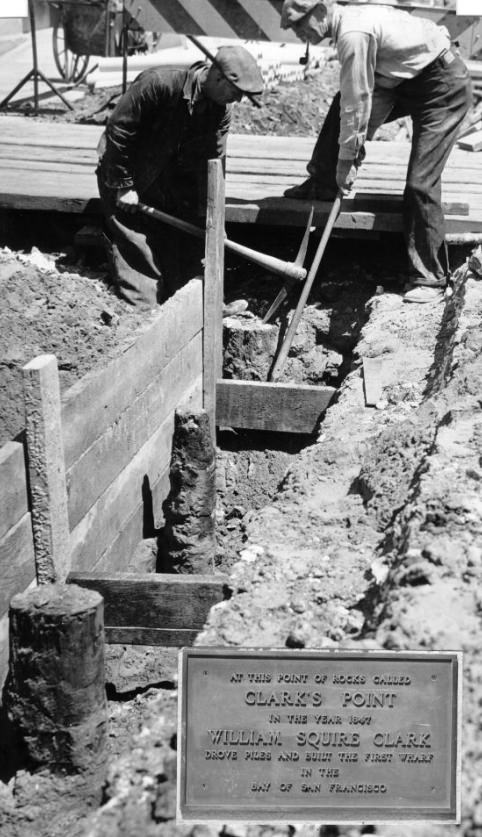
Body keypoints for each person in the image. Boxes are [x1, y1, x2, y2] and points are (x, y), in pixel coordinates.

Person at [280, 0, 473, 303]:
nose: (297, 33)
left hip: (443, 87)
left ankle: (430, 277)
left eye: (299, 25)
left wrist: (348, 159)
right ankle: (323, 184)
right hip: (405, 81)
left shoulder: (353, 33)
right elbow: (371, 93)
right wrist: (352, 152)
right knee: (339, 107)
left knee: (420, 183)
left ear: (319, 10)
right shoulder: (352, 24)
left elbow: (358, 100)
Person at [96, 46, 264, 307]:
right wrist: (124, 186)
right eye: (236, 92)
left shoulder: (220, 112)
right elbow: (119, 130)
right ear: (218, 78)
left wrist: (214, 220)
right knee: (137, 248)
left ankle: (201, 308)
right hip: (124, 174)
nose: (238, 101)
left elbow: (215, 164)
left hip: (166, 182)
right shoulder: (159, 83)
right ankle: (144, 313)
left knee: (189, 248)